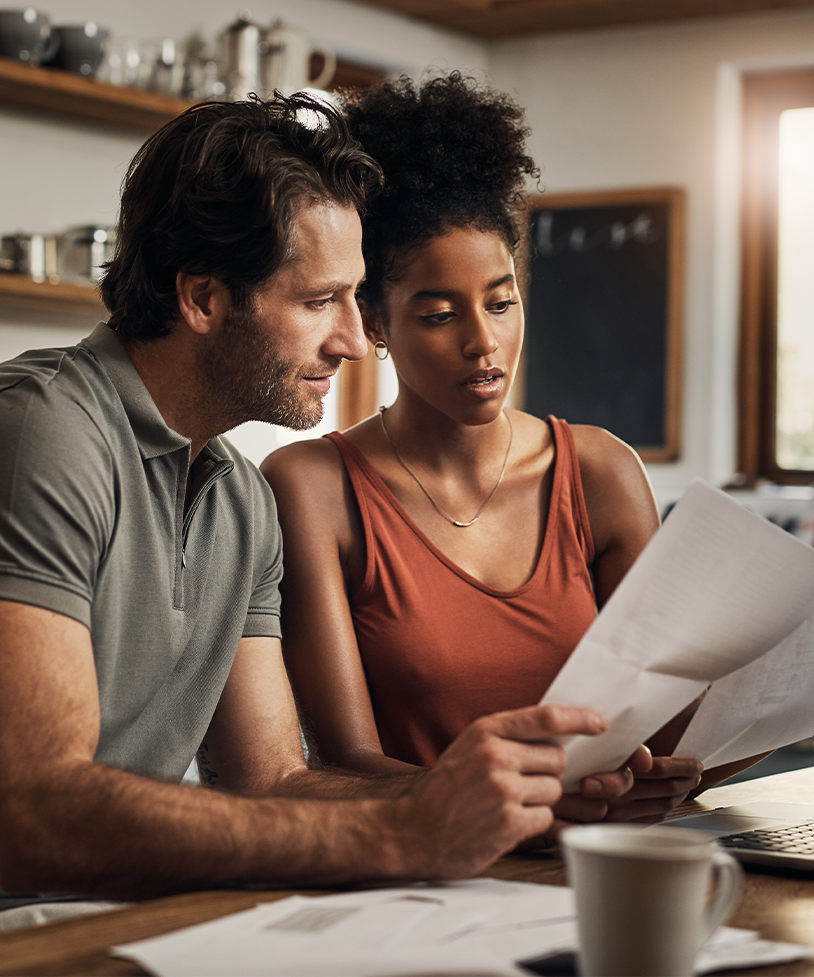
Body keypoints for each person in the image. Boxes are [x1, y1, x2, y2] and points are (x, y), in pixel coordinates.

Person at [0, 93, 613, 904]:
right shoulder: (45, 433)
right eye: (319, 301)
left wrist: (483, 795)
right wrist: (402, 830)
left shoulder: (241, 502)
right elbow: (32, 816)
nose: (356, 341)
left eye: (354, 300)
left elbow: (270, 782)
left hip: (118, 921)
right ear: (204, 297)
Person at [261, 74, 756, 832]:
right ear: (375, 322)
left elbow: (669, 734)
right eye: (437, 314)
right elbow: (343, 762)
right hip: (421, 879)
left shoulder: (600, 473)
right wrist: (529, 808)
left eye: (500, 301)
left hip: (600, 868)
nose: (482, 343)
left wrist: (726, 730)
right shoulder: (312, 486)